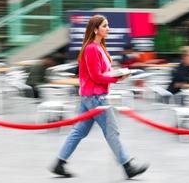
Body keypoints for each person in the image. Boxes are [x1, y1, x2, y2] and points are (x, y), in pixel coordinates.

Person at [51, 15, 149, 179]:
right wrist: (116, 78)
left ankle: (59, 163)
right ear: (95, 29)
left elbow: (100, 73)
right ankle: (128, 167)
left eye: (108, 25)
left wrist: (117, 74)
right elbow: (96, 76)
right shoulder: (91, 49)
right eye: (105, 26)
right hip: (96, 98)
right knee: (112, 131)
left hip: (90, 97)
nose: (108, 28)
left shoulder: (99, 47)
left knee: (79, 132)